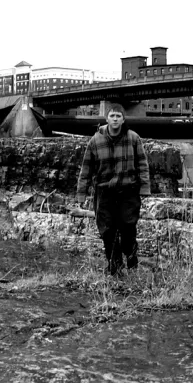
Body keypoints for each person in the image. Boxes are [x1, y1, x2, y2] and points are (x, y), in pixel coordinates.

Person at [75, 102, 151, 276]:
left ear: (123, 120)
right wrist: (81, 193)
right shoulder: (95, 140)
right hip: (104, 192)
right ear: (106, 119)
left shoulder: (133, 138)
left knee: (127, 228)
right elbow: (86, 168)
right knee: (107, 231)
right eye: (112, 116)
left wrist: (144, 188)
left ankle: (132, 262)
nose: (115, 119)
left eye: (118, 116)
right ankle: (115, 267)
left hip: (128, 191)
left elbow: (142, 164)